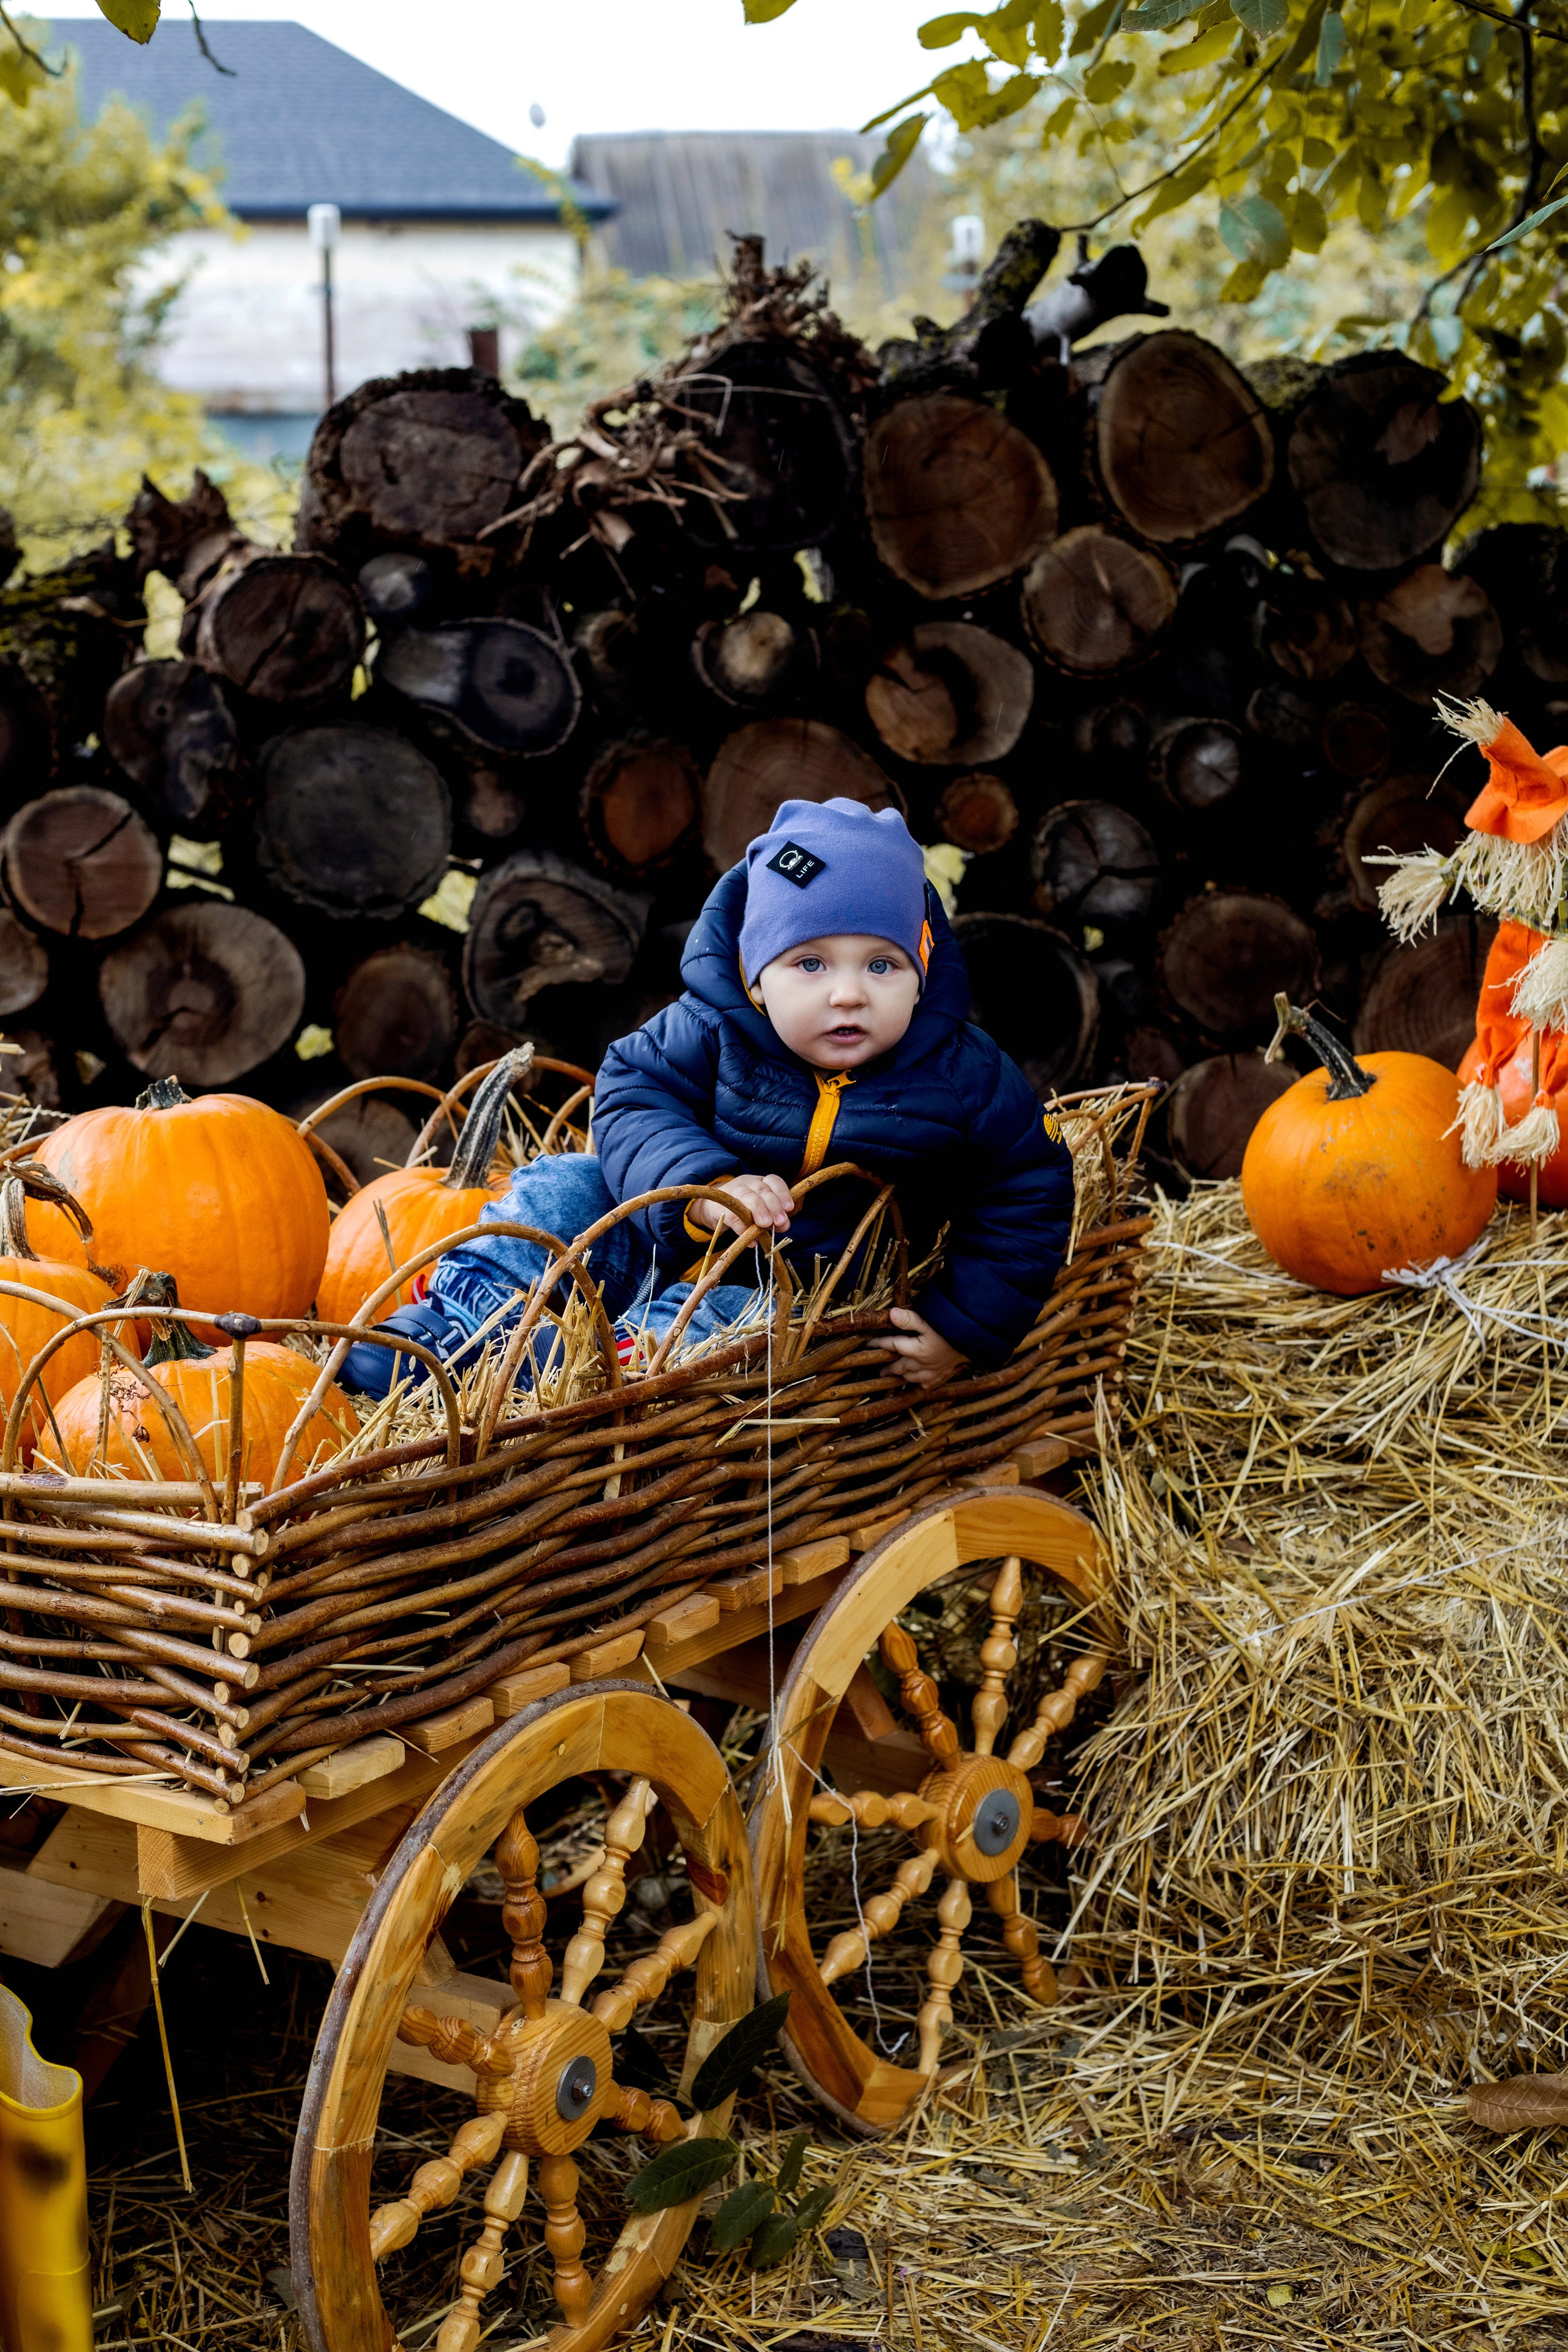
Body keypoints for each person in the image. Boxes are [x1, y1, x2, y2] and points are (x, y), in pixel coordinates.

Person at [341, 798, 1074, 1397]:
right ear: (756, 976)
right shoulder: (710, 1028)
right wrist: (703, 1186)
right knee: (562, 1186)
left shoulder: (962, 1073)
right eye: (810, 964)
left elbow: (1028, 1188)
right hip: (660, 1230)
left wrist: (961, 1326)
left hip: (792, 1279)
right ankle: (465, 1324)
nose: (848, 993)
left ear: (921, 970)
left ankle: (590, 1378)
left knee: (743, 1329)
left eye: (881, 965)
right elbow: (632, 1096)